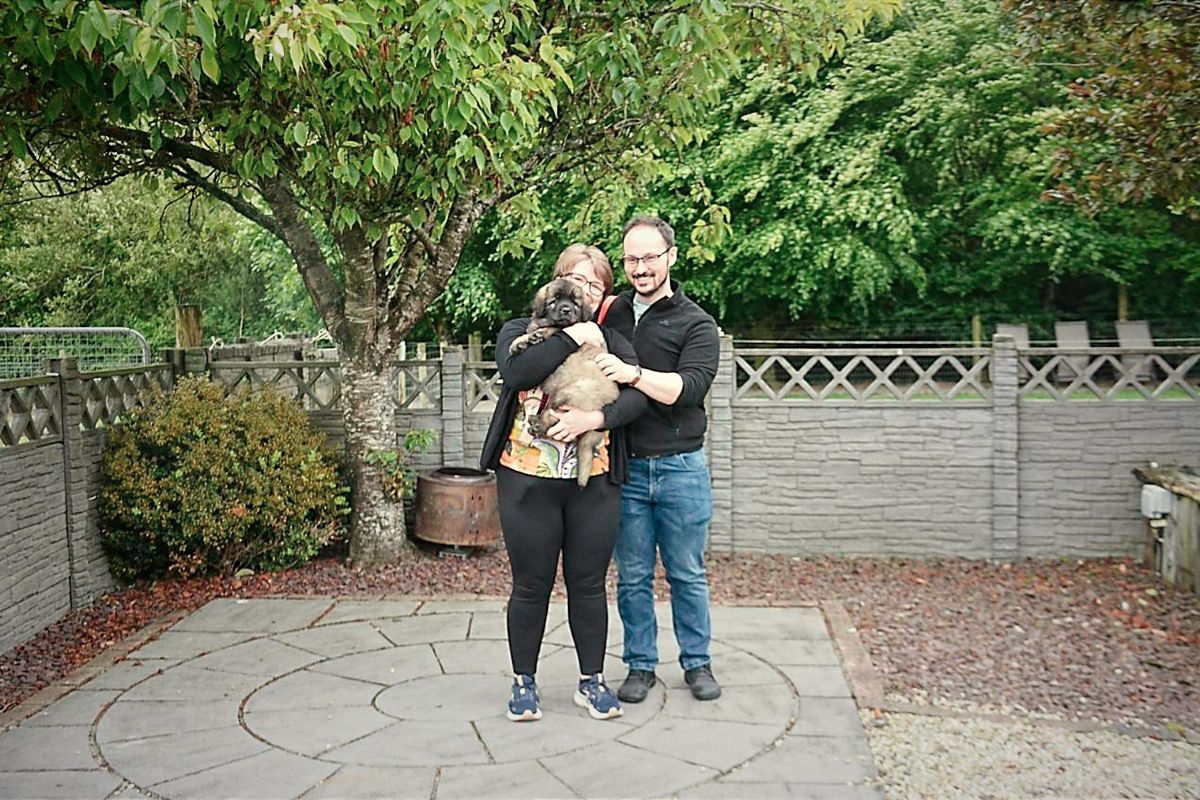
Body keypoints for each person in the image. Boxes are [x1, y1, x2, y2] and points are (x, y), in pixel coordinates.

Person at [480, 243, 647, 722]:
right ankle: (523, 683)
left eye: (595, 285)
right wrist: (576, 335)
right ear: (556, 283)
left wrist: (595, 415)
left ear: (602, 296)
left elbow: (637, 400)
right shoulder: (521, 330)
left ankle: (591, 682)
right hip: (526, 480)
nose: (584, 290)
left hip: (591, 482)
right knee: (530, 585)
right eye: (576, 279)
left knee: (589, 585)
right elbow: (518, 370)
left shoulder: (614, 339)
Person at [593, 215, 723, 703]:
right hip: (625, 465)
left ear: (670, 256)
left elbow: (687, 390)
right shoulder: (611, 314)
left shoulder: (697, 323)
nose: (640, 267)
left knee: (687, 572)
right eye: (631, 259)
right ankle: (640, 665)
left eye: (649, 257)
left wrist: (631, 373)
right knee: (631, 575)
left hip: (681, 468)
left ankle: (697, 663)